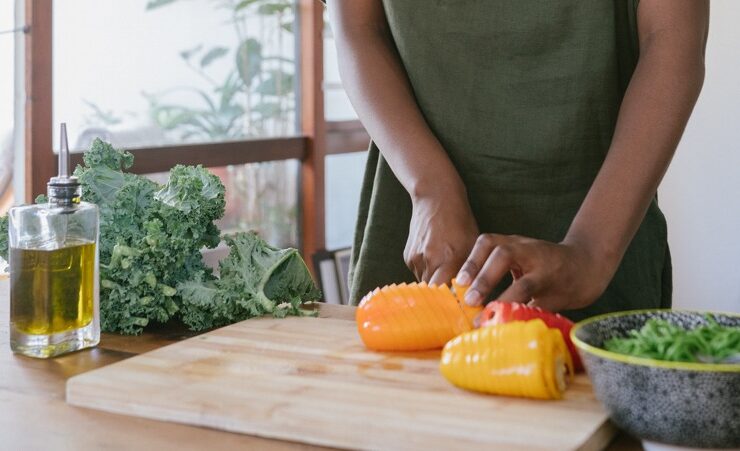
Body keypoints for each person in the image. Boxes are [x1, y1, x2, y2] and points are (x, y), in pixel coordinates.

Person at [328, 1, 708, 320]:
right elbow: (359, 28)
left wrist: (591, 250)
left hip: (604, 224)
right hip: (418, 222)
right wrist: (430, 188)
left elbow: (671, 38)